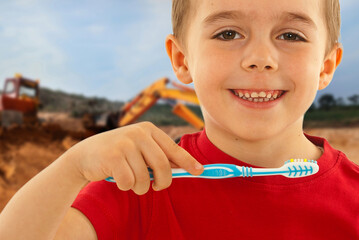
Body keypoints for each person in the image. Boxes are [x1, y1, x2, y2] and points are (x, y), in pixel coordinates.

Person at [0, 0, 358, 239]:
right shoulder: (139, 186)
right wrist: (73, 167)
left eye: (291, 35)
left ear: (326, 66)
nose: (260, 58)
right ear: (182, 59)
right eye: (228, 33)